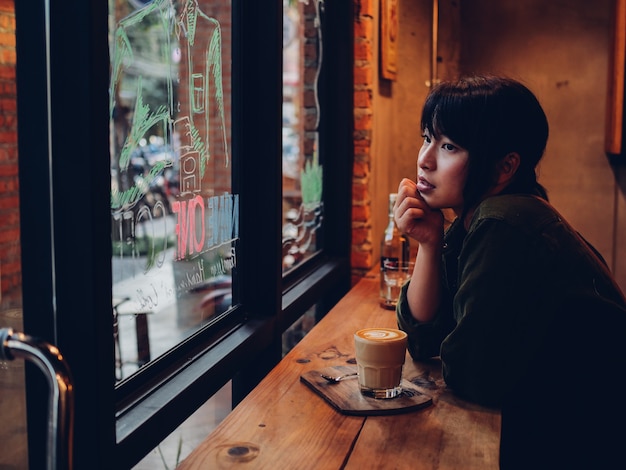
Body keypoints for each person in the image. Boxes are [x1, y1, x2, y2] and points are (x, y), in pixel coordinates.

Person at [393, 75, 626, 469]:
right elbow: (421, 337)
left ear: (505, 167)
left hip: (586, 439)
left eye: (448, 145)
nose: (425, 159)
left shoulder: (503, 222)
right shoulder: (482, 217)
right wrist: (429, 244)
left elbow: (471, 374)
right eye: (427, 138)